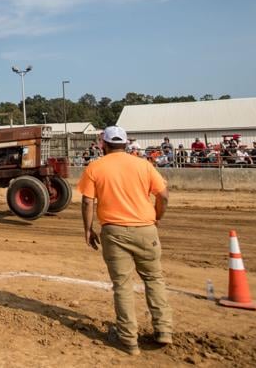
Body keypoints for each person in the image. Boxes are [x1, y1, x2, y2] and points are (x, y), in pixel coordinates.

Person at [78, 125, 173, 356]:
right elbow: (163, 195)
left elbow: (88, 202)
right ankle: (163, 331)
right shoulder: (143, 164)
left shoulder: (95, 167)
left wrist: (88, 229)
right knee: (154, 279)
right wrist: (157, 215)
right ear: (126, 143)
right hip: (146, 229)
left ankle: (129, 340)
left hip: (114, 231)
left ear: (104, 144)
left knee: (122, 285)